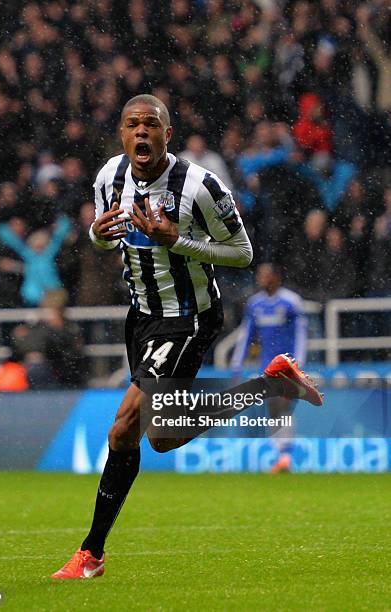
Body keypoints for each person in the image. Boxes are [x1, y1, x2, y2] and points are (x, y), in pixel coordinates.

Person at [51, 94, 323, 580]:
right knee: (159, 438)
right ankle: (273, 384)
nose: (141, 132)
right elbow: (102, 236)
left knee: (125, 428)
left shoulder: (199, 185)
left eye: (150, 125)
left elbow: (243, 253)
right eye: (132, 124)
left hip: (189, 315)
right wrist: (96, 232)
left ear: (166, 134)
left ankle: (91, 554)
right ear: (121, 133)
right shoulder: (108, 178)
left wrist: (177, 240)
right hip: (141, 318)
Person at [230, 263, 307, 472]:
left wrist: (298, 363)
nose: (261, 279)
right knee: (274, 408)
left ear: (276, 277)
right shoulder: (255, 304)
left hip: (287, 364)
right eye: (259, 275)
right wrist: (237, 363)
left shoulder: (291, 302)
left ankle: (286, 454)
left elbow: (301, 334)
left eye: (265, 275)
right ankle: (281, 454)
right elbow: (246, 335)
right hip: (267, 366)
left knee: (283, 405)